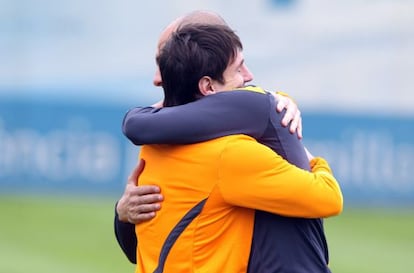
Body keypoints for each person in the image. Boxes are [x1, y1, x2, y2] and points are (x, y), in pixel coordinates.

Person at [122, 23, 342, 272]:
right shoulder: (231, 154)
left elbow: (135, 247)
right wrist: (310, 157)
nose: (247, 77)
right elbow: (329, 197)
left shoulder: (152, 146)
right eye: (238, 69)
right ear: (208, 87)